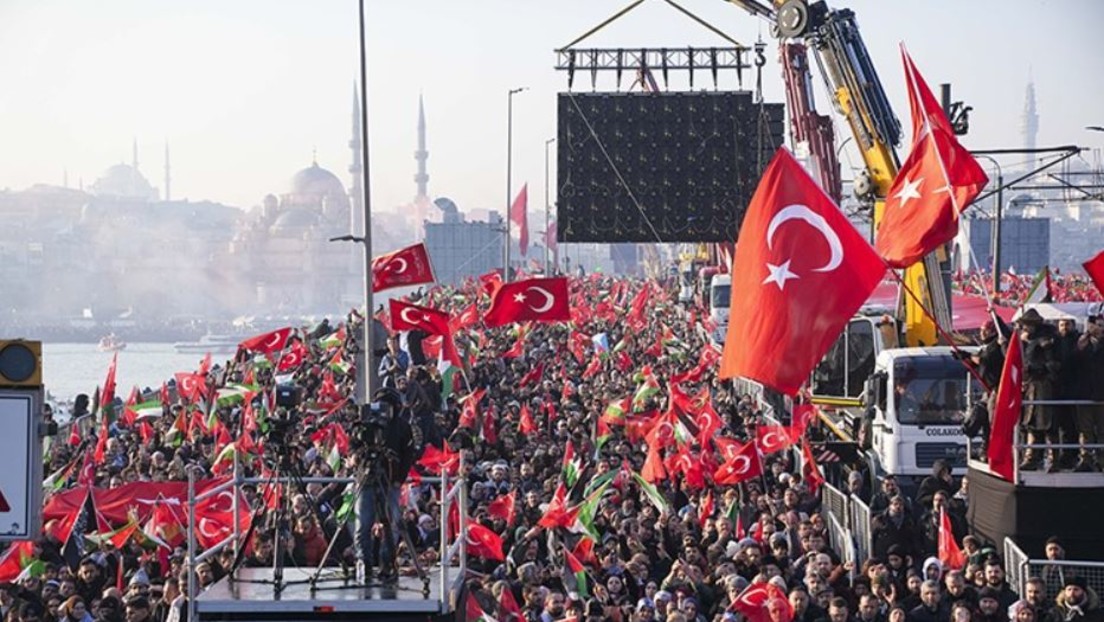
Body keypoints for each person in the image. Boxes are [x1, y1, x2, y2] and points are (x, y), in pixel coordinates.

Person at [355, 388, 417, 582]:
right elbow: (353, 445)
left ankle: (387, 564)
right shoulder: (364, 424)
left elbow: (408, 455)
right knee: (363, 524)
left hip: (391, 482)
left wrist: (399, 477)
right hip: (366, 479)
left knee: (391, 524)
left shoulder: (402, 427)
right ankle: (363, 562)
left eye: (387, 405)